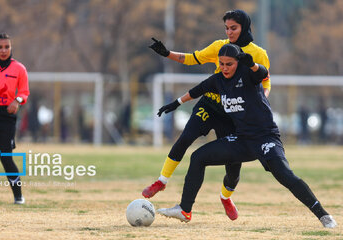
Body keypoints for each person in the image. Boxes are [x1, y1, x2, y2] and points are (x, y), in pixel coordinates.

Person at [156, 44, 337, 228]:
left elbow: (263, 74)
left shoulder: (247, 74)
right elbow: (197, 91)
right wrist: (175, 103)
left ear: (238, 63)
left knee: (284, 175)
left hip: (265, 138)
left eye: (229, 64)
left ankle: (323, 215)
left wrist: (252, 65)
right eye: (222, 64)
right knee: (198, 157)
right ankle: (185, 210)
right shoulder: (218, 80)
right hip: (242, 140)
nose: (225, 68)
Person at [143, 9, 270, 221]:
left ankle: (226, 197)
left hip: (233, 112)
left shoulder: (258, 53)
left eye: (234, 28)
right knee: (185, 137)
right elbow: (193, 58)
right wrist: (167, 54)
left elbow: (265, 82)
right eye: (227, 28)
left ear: (245, 27)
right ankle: (161, 181)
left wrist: (261, 100)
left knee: (233, 164)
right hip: (210, 104)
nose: (229, 32)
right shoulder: (219, 46)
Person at [0, 33, 30, 204]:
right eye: (0, 47)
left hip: (6, 117)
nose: (3, 50)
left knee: (5, 157)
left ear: (11, 48)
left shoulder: (19, 69)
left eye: (7, 47)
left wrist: (16, 100)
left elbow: (24, 92)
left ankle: (18, 196)